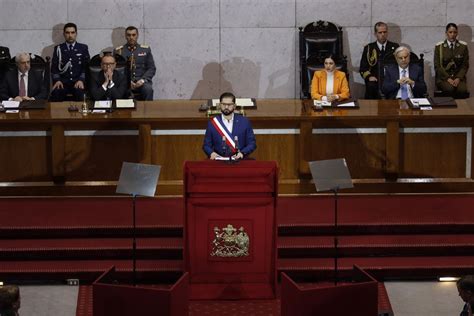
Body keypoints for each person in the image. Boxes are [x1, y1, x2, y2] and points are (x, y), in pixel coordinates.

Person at [203, 92, 256, 160]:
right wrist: (211, 153)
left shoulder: (244, 122)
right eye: (223, 104)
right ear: (219, 105)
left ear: (234, 106)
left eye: (229, 104)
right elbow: (206, 145)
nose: (226, 107)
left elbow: (252, 144)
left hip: (239, 162)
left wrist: (242, 153)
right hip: (219, 162)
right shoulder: (213, 123)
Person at [50, 22, 90, 101]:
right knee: (55, 94)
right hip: (63, 83)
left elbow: (86, 67)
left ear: (76, 34)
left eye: (72, 32)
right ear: (64, 34)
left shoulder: (83, 48)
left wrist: (81, 80)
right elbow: (54, 67)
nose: (70, 35)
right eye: (67, 33)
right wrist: (57, 80)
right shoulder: (58, 48)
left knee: (81, 95)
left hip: (77, 81)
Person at [114, 26, 156, 100]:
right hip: (125, 82)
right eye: (129, 35)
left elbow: (151, 68)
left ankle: (148, 111)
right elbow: (116, 70)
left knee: (148, 89)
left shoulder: (145, 50)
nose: (131, 37)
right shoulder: (118, 51)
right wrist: (127, 81)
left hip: (142, 81)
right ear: (125, 36)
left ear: (137, 35)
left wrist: (143, 80)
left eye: (133, 35)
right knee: (118, 90)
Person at [360, 22, 399, 99]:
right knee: (371, 86)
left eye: (384, 32)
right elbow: (363, 68)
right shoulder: (369, 48)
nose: (383, 34)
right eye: (380, 32)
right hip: (375, 79)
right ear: (375, 34)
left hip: (391, 79)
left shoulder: (394, 47)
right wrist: (369, 76)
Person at [434, 23, 469, 98]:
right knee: (449, 89)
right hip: (443, 78)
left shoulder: (463, 47)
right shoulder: (439, 47)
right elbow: (438, 66)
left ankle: (462, 109)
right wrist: (448, 78)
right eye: (450, 32)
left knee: (462, 90)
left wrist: (458, 78)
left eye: (455, 32)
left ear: (457, 33)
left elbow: (465, 65)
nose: (452, 34)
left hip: (458, 77)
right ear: (446, 33)